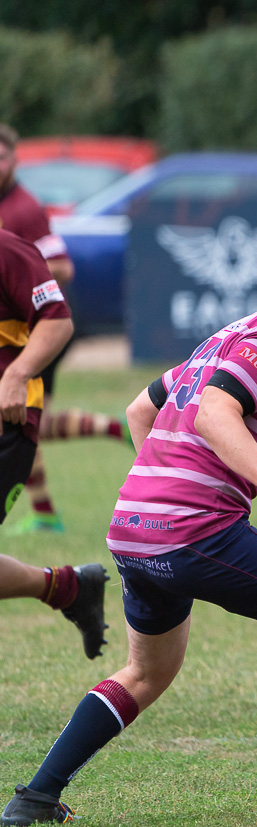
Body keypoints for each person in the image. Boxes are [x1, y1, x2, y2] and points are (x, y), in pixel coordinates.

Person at [1, 218, 257, 827]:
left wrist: (159, 486)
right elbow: (215, 413)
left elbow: (143, 407)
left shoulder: (231, 335)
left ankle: (35, 799)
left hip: (134, 526)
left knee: (147, 671)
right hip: (193, 532)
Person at [0, 123, 124, 535]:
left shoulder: (23, 209)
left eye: (1, 156)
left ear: (15, 159)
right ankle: (112, 428)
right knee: (35, 421)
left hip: (34, 331)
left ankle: (46, 514)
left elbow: (63, 266)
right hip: (18, 332)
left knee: (23, 419)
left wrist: (22, 267)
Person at [0, 227, 107, 658]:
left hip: (7, 425)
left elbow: (58, 321)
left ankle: (67, 588)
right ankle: (68, 587)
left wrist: (15, 375)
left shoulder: (8, 249)